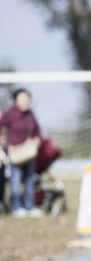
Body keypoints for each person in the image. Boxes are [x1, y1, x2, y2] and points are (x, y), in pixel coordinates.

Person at [0, 88, 43, 218]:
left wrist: (37, 139)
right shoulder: (10, 113)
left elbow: (37, 130)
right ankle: (16, 207)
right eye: (22, 98)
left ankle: (29, 206)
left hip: (28, 153)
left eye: (27, 99)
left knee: (29, 181)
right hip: (15, 153)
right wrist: (4, 141)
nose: (25, 101)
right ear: (16, 100)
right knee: (15, 181)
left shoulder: (30, 114)